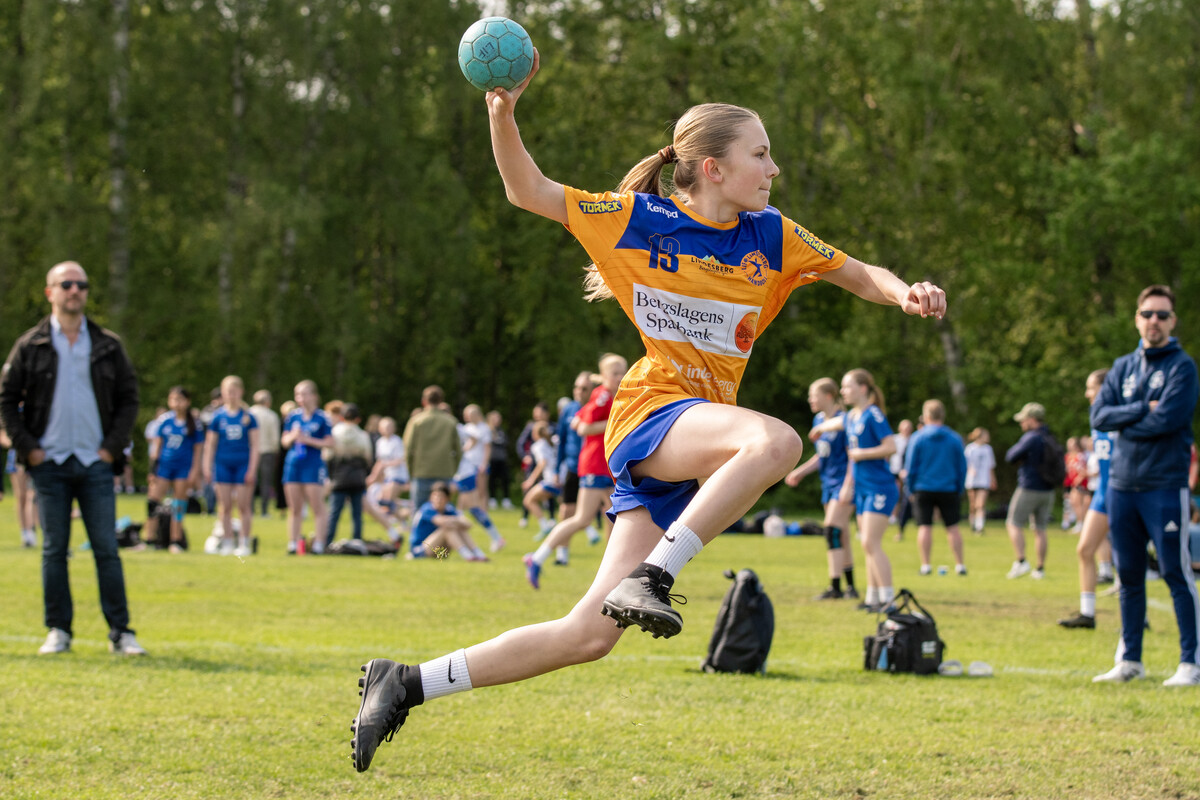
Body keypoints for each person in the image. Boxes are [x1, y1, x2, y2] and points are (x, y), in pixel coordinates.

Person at [349, 58, 946, 772]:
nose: (774, 168)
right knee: (777, 442)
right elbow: (527, 190)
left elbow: (858, 273)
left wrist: (905, 291)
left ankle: (407, 682)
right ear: (712, 168)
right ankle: (656, 577)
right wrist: (501, 113)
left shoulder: (771, 235)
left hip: (696, 439)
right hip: (652, 413)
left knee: (587, 635)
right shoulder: (637, 219)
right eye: (760, 154)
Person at [0, 260, 146, 655]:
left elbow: (129, 399)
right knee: (54, 550)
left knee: (106, 549)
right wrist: (28, 448)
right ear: (50, 292)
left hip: (95, 462)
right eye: (66, 284)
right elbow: (6, 400)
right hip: (49, 463)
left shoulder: (107, 344)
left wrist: (110, 448)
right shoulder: (30, 345)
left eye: (81, 284)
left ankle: (121, 633)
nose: (75, 290)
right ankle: (58, 630)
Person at [1090, 285, 1199, 686]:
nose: (1155, 321)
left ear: (1172, 321)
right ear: (1137, 318)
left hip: (1164, 485)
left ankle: (1190, 663)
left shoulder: (1182, 367)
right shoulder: (1122, 367)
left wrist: (1128, 420)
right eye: (1148, 314)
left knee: (1175, 572)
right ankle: (1130, 660)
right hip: (1121, 486)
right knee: (1129, 575)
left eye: (1162, 315)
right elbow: (1099, 416)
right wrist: (1140, 409)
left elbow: (1167, 420)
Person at [524, 355, 626, 588]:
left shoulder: (610, 395)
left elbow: (578, 420)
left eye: (623, 372)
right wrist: (616, 421)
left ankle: (612, 575)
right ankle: (536, 558)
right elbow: (585, 428)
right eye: (615, 373)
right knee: (583, 519)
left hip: (606, 466)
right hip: (595, 466)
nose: (620, 377)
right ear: (604, 375)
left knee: (616, 517)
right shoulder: (603, 395)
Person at [785, 377, 857, 600]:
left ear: (828, 396)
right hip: (828, 483)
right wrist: (800, 471)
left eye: (813, 395)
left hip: (843, 483)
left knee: (832, 530)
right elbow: (822, 455)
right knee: (841, 534)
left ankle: (835, 587)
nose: (810, 400)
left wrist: (848, 486)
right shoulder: (818, 420)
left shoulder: (845, 420)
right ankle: (851, 588)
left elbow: (853, 456)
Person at [838, 370, 899, 611]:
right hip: (863, 489)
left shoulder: (873, 414)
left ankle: (888, 600)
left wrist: (862, 454)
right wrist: (820, 429)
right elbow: (835, 423)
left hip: (879, 487)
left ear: (863, 388)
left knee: (870, 542)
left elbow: (890, 446)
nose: (843, 391)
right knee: (867, 544)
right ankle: (873, 598)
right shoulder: (852, 416)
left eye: (847, 386)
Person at [1058, 368, 1115, 629]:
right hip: (1103, 491)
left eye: (1091, 387)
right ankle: (1087, 614)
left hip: (1124, 490)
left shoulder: (1123, 412)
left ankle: (1140, 616)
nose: (1087, 393)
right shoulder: (1096, 415)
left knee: (1128, 555)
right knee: (1084, 549)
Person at [904, 399, 968, 576]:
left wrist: (910, 489)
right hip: (949, 488)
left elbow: (910, 467)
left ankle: (926, 565)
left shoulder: (918, 438)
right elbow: (962, 467)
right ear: (943, 415)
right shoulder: (954, 438)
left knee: (924, 526)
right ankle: (960, 565)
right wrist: (959, 487)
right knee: (953, 527)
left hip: (923, 488)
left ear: (926, 416)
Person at [202, 375, 259, 557]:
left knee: (243, 505)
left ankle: (244, 543)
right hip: (222, 465)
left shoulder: (249, 417)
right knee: (224, 506)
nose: (231, 395)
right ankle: (226, 542)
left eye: (234, 392)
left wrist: (252, 469)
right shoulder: (218, 417)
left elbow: (255, 446)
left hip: (242, 464)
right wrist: (207, 467)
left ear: (241, 392)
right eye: (228, 392)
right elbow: (210, 444)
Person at [146, 387, 204, 553]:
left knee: (178, 504)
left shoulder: (193, 424)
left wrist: (195, 471)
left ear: (187, 402)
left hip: (183, 468)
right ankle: (149, 538)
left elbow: (198, 450)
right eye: (173, 399)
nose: (176, 403)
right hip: (164, 467)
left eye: (180, 399)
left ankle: (176, 540)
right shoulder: (164, 420)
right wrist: (153, 470)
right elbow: (156, 447)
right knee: (153, 502)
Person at [1004, 402, 1058, 579]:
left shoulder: (1031, 437)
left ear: (1032, 419)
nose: (1021, 423)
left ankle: (1021, 561)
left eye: (1023, 420)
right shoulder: (1049, 436)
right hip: (1048, 490)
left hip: (1029, 487)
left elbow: (1011, 456)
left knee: (1013, 523)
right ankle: (1040, 569)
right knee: (1040, 529)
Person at [281, 380, 333, 554]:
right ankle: (293, 543)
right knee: (295, 507)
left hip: (313, 465)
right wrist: (293, 436)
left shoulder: (322, 417)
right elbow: (284, 441)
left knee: (317, 506)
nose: (300, 398)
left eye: (304, 394)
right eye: (297, 394)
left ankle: (318, 544)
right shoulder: (293, 417)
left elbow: (330, 442)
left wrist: (308, 440)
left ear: (313, 396)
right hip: (293, 464)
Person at [453, 404, 505, 552]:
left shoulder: (481, 428)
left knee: (478, 498)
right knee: (460, 504)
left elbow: (484, 445)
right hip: (462, 469)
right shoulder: (465, 427)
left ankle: (491, 537)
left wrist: (483, 463)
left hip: (470, 468)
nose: (467, 417)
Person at [403, 385, 462, 511]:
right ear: (441, 401)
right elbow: (458, 450)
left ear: (424, 401)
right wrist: (453, 470)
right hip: (445, 471)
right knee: (444, 513)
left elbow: (407, 449)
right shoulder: (450, 421)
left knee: (418, 513)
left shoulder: (416, 421)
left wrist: (411, 471)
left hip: (421, 471)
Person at [326, 403, 373, 545]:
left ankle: (327, 540)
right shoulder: (362, 435)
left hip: (339, 476)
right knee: (357, 513)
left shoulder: (335, 432)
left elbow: (327, 456)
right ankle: (357, 541)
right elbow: (368, 457)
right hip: (357, 477)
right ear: (358, 419)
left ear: (341, 417)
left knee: (334, 512)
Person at [406, 481, 487, 562]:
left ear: (448, 498)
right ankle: (468, 556)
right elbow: (441, 521)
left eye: (441, 497)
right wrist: (457, 520)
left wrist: (456, 521)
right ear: (431, 498)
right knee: (447, 528)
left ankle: (478, 554)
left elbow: (468, 524)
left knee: (459, 527)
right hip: (420, 550)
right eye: (435, 496)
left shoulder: (449, 509)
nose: (438, 500)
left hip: (440, 551)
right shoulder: (427, 509)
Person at [520, 420, 560, 538]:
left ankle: (544, 526)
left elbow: (542, 463)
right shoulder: (554, 441)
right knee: (570, 508)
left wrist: (530, 480)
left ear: (534, 433)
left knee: (528, 500)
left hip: (550, 480)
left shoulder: (538, 446)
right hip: (560, 478)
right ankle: (591, 532)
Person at [249, 389, 281, 518]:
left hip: (251, 451)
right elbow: (275, 438)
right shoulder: (271, 415)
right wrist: (276, 451)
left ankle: (250, 509)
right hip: (267, 452)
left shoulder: (249, 413)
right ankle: (264, 510)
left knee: (250, 480)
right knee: (266, 482)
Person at [964, 427, 996, 533]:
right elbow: (965, 463)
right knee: (973, 505)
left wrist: (993, 479)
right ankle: (973, 524)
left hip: (984, 480)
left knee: (980, 504)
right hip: (972, 480)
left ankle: (980, 526)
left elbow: (991, 466)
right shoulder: (970, 448)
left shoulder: (988, 449)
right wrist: (971, 469)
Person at [485, 410, 512, 509]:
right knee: (492, 480)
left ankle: (506, 500)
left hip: (502, 459)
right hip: (492, 459)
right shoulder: (487, 430)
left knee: (505, 479)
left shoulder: (501, 431)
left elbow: (505, 442)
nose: (498, 420)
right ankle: (492, 499)